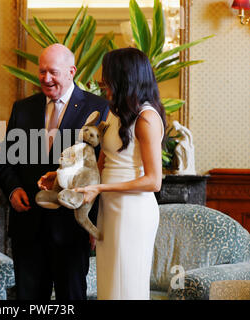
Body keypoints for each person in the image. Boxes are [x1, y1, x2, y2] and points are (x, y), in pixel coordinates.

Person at [0, 43, 109, 300]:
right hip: (28, 225)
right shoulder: (22, 108)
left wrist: (95, 221)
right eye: (42, 71)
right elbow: (5, 161)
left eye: (53, 72)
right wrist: (13, 190)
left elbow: (103, 170)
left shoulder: (98, 108)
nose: (46, 78)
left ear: (71, 71)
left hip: (72, 226)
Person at [74, 47, 166, 299]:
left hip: (133, 211)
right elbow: (102, 165)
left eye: (108, 75)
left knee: (125, 287)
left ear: (124, 77)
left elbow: (153, 181)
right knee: (109, 286)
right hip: (110, 208)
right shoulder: (115, 114)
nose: (103, 81)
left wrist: (100, 189)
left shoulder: (146, 119)